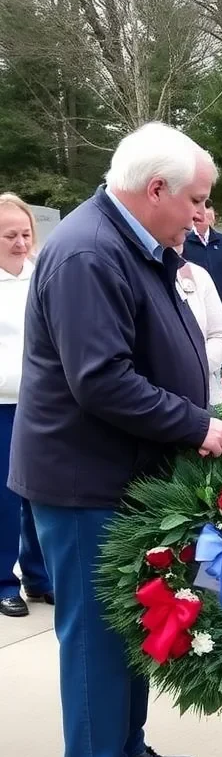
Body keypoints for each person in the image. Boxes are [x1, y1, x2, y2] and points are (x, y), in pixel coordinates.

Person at [8, 122, 222, 757]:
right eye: (194, 201)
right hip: (84, 479)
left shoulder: (133, 244)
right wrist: (195, 423)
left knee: (133, 620)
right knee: (97, 629)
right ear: (155, 189)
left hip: (123, 471)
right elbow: (100, 379)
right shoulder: (88, 252)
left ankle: (124, 743)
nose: (200, 216)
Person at [0, 194, 52, 618]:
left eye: (25, 234)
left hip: (40, 405)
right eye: (9, 235)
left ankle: (39, 576)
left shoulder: (42, 275)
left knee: (40, 493)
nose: (20, 242)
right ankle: (4, 580)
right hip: (1, 405)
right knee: (4, 498)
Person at [175, 252, 222, 404]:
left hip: (205, 395)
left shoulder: (198, 275)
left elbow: (221, 336)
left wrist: (193, 368)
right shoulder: (131, 272)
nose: (188, 227)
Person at [181, 202, 222, 320]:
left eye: (203, 216)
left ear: (211, 219)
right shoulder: (184, 241)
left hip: (221, 309)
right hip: (194, 309)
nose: (198, 219)